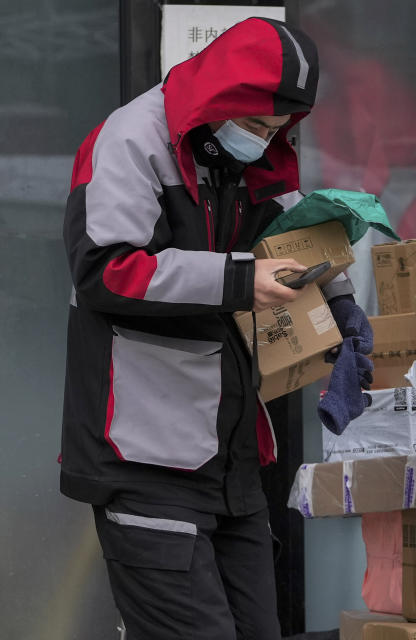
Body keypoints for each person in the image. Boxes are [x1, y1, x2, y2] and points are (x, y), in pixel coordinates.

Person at [60, 18, 369, 639]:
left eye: (278, 128)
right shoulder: (131, 139)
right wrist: (237, 280)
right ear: (215, 98)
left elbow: (289, 230)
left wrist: (339, 300)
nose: (263, 138)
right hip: (142, 454)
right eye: (254, 124)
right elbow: (104, 270)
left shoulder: (245, 151)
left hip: (229, 460)